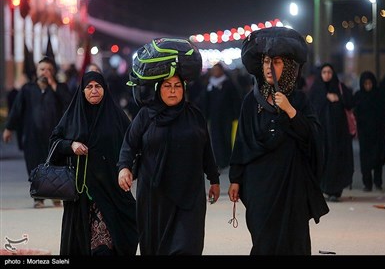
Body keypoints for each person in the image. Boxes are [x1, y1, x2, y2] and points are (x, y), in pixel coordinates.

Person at [228, 27, 329, 255]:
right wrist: (235, 178)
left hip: (291, 184)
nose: (269, 67)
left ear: (290, 67)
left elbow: (313, 139)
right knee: (263, 239)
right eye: (265, 61)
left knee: (294, 240)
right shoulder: (250, 102)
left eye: (277, 62)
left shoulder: (300, 100)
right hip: (258, 186)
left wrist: (290, 111)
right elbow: (242, 141)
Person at [117, 38, 220, 255]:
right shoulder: (146, 115)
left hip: (189, 194)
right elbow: (129, 144)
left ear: (183, 89)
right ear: (158, 89)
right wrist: (124, 168)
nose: (173, 91)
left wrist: (214, 179)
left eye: (177, 86)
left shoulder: (194, 116)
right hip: (155, 194)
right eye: (167, 86)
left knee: (186, 246)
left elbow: (206, 150)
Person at [49, 71, 138, 255]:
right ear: (82, 91)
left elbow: (133, 145)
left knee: (104, 247)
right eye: (89, 87)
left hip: (110, 189)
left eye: (98, 86)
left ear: (105, 89)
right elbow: (54, 141)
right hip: (80, 193)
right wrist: (71, 145)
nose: (94, 91)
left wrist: (128, 170)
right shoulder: (73, 115)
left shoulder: (116, 116)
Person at [2, 56, 72, 208]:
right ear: (37, 71)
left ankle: (56, 196)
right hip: (32, 136)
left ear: (53, 72)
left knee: (56, 166)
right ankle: (38, 198)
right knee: (34, 167)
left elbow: (69, 106)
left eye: (49, 70)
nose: (45, 72)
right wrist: (9, 128)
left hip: (54, 138)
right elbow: (17, 110)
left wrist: (54, 86)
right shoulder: (28, 89)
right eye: (42, 69)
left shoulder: (60, 88)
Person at [309, 63, 354, 202]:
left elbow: (350, 102)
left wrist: (338, 98)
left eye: (329, 72)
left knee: (337, 158)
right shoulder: (316, 90)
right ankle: (325, 188)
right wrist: (325, 98)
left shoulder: (340, 88)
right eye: (324, 72)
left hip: (339, 133)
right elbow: (311, 108)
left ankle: (335, 190)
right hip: (322, 133)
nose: (327, 75)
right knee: (323, 158)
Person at [353, 71, 385, 191]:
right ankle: (367, 184)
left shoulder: (379, 95)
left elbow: (384, 113)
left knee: (378, 158)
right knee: (365, 160)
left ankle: (378, 182)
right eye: (365, 84)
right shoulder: (358, 96)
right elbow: (354, 112)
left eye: (370, 83)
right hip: (364, 133)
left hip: (378, 132)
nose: (368, 86)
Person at [204, 62, 241, 169]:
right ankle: (219, 161)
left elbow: (235, 100)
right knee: (216, 139)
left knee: (226, 138)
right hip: (214, 117)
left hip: (227, 117)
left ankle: (227, 159)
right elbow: (206, 101)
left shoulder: (228, 84)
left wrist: (235, 115)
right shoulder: (209, 84)